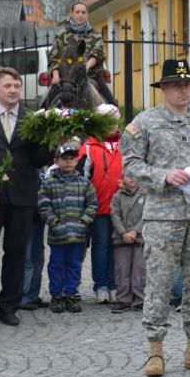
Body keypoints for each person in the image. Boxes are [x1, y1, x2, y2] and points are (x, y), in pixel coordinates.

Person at [120, 59, 190, 377]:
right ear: (164, 89)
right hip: (162, 217)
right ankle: (155, 349)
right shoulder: (146, 122)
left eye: (188, 85)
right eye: (177, 86)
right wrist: (163, 175)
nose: (184, 91)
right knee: (159, 283)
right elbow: (129, 165)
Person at [0, 66, 51, 326]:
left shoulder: (32, 119)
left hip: (22, 194)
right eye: (8, 86)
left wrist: (51, 141)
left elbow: (39, 159)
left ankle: (8, 307)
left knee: (16, 252)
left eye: (17, 86)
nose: (14, 90)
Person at [38, 142, 98, 314]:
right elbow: (43, 204)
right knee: (56, 265)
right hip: (58, 234)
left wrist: (84, 221)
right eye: (65, 159)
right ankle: (56, 295)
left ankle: (71, 294)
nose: (69, 162)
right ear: (56, 161)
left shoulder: (84, 183)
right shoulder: (49, 183)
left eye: (72, 159)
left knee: (74, 265)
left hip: (78, 234)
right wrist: (53, 221)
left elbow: (92, 203)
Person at [77, 103, 122, 304]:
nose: (112, 125)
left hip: (122, 207)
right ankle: (100, 286)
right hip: (99, 206)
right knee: (101, 245)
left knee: (117, 246)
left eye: (115, 120)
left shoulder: (126, 143)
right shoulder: (89, 145)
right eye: (107, 121)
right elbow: (81, 177)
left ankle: (115, 284)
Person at [48, 2, 117, 106]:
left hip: (93, 76)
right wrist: (56, 75)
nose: (80, 15)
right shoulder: (62, 34)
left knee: (112, 105)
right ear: (72, 14)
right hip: (67, 79)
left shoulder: (95, 34)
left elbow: (97, 53)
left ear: (87, 14)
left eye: (83, 12)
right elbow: (54, 57)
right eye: (77, 12)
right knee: (46, 104)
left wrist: (86, 66)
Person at [110, 176, 146, 313]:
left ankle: (140, 299)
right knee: (122, 269)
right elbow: (114, 215)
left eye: (134, 175)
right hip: (121, 238)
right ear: (122, 179)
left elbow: (147, 214)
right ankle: (123, 299)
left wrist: (135, 231)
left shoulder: (146, 194)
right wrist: (123, 233)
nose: (131, 179)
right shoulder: (117, 196)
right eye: (128, 176)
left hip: (141, 237)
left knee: (140, 269)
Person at [19, 168, 49, 311]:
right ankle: (23, 296)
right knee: (27, 258)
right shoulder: (25, 166)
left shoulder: (42, 170)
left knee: (38, 258)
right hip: (27, 215)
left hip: (39, 217)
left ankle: (33, 294)